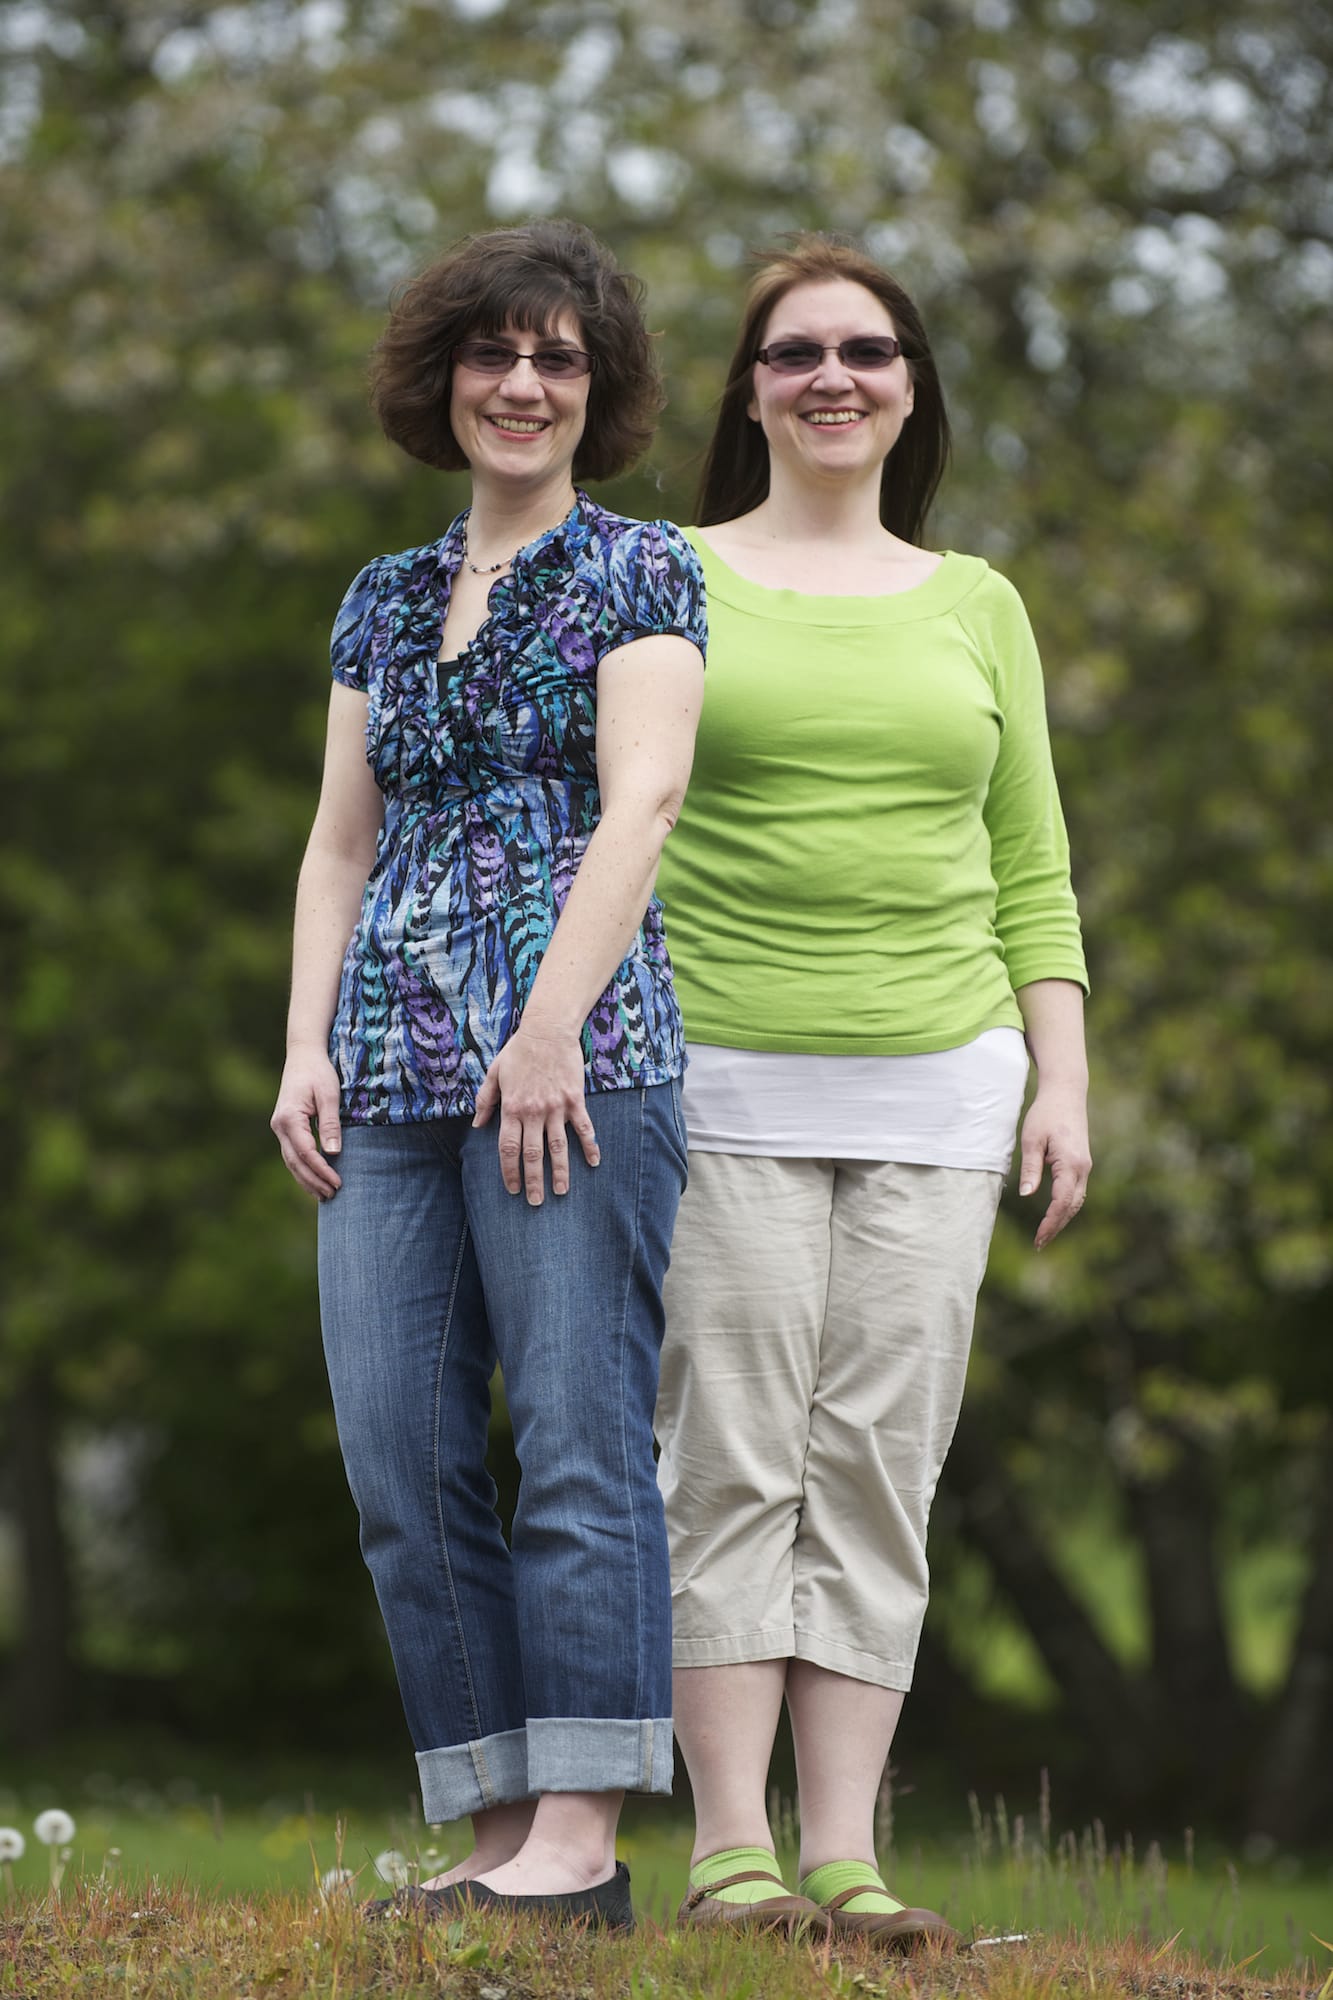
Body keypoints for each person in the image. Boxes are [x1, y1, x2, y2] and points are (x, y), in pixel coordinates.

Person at [652, 236, 1091, 1945]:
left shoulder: (977, 600)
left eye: (868, 349)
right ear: (748, 389)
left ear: (911, 387)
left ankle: (847, 1858)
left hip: (944, 1088)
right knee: (733, 1458)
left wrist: (1059, 1083)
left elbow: (1031, 868)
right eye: (794, 352)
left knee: (877, 1472)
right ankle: (729, 1856)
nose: (833, 375)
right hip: (718, 1078)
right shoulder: (668, 579)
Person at [270, 219, 706, 1932]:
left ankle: (581, 1845)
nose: (520, 384)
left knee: (579, 1442)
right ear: (440, 375)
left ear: (593, 395)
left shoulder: (637, 570)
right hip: (382, 1066)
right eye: (492, 352)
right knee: (399, 1446)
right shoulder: (381, 596)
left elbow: (642, 803)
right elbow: (335, 844)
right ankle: (491, 1817)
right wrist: (302, 1040)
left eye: (557, 360)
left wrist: (543, 1030)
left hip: (575, 1070)